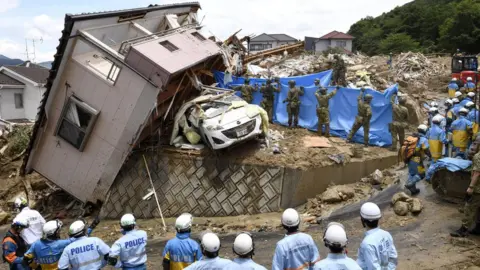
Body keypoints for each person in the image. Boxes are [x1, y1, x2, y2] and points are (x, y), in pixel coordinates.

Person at [24, 218, 99, 270]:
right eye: (58, 231)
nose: (59, 232)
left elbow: (26, 259)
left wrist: (36, 266)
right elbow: (79, 237)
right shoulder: (60, 244)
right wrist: (91, 227)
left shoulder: (36, 244)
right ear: (54, 233)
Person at [451, 134, 480, 237]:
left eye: (476, 143)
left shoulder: (478, 156)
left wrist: (471, 187)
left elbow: (477, 173)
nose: (473, 146)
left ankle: (463, 230)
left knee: (469, 208)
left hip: (477, 189)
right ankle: (478, 228)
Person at [357, 202, 397, 270]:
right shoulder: (386, 234)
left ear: (363, 220)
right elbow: (393, 258)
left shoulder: (367, 243)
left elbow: (373, 268)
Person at [405, 124, 431, 195]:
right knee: (421, 174)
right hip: (417, 160)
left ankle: (413, 190)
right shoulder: (423, 139)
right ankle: (409, 184)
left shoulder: (411, 137)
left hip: (409, 158)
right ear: (425, 131)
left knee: (412, 174)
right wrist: (431, 156)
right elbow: (426, 150)